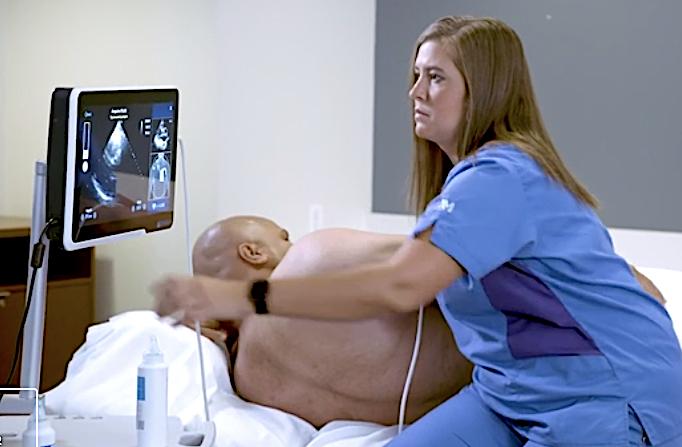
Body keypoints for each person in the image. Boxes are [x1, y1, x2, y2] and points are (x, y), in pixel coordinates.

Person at [154, 16, 682, 447]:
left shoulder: (501, 178)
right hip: (507, 391)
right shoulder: (466, 185)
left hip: (601, 397)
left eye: (436, 78)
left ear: (485, 91)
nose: (415, 92)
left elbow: (399, 284)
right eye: (416, 76)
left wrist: (239, 297)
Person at [191, 215, 472, 427]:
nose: (292, 243)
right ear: (254, 253)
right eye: (284, 238)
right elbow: (466, 252)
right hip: (492, 369)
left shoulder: (249, 384)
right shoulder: (307, 260)